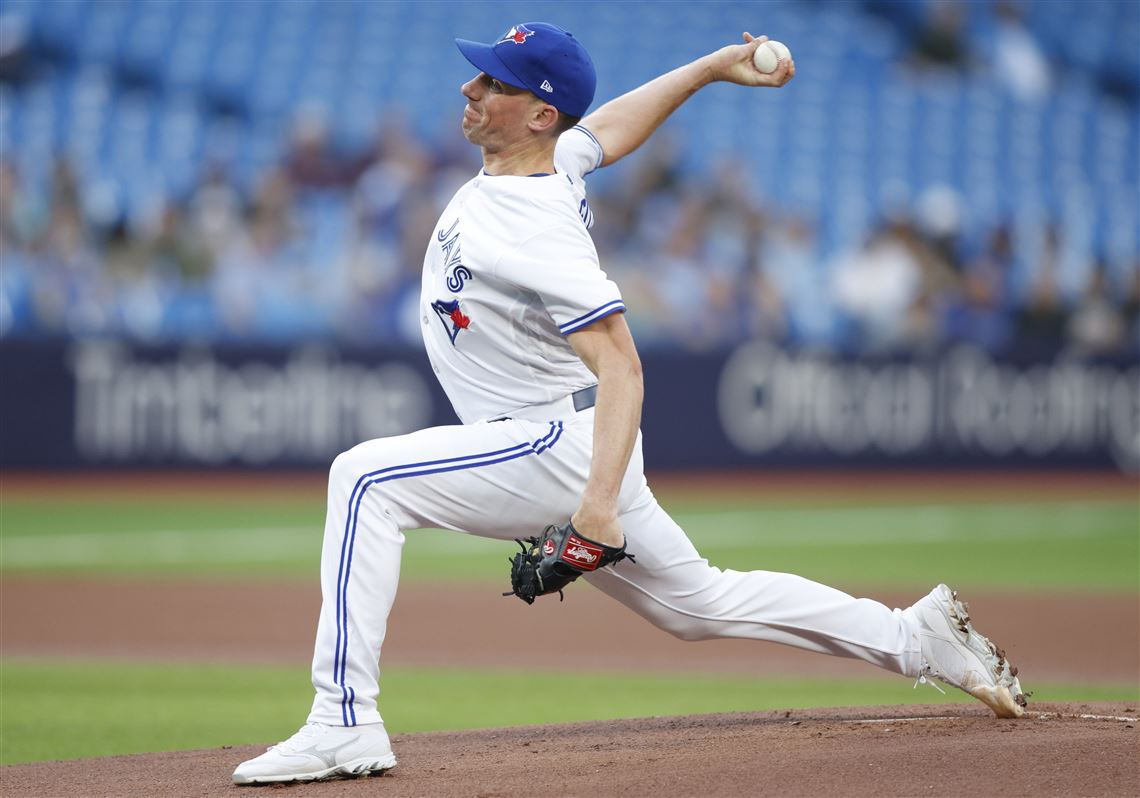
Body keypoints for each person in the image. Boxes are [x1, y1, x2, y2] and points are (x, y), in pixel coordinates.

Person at [233, 23, 1026, 785]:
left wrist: (598, 505)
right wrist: (711, 68)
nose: (469, 88)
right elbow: (604, 128)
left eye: (493, 83)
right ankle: (914, 638)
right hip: (566, 434)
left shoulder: (534, 222)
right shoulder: (548, 163)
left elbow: (623, 364)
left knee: (364, 480)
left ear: (539, 113)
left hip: (557, 441)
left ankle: (343, 723)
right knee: (700, 604)